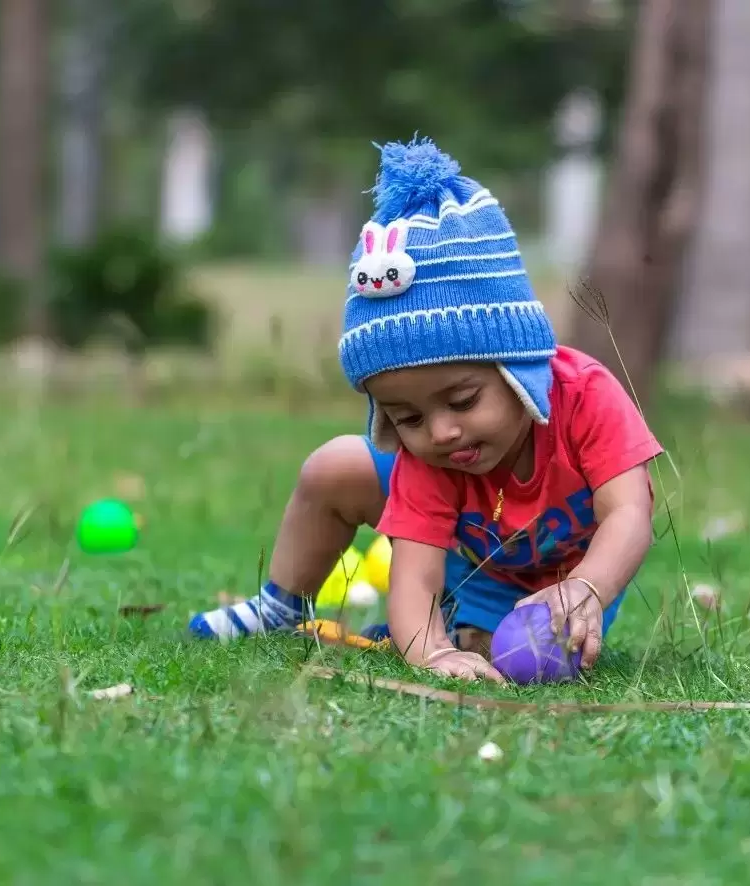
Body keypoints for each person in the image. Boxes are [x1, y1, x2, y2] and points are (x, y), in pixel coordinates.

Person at [188, 137, 664, 682]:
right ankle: (282, 606)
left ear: (517, 368)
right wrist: (430, 652)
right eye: (406, 417)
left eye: (463, 400)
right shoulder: (434, 452)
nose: (440, 431)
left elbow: (629, 513)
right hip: (465, 565)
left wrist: (588, 587)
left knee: (507, 654)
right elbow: (413, 572)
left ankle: (459, 627)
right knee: (336, 466)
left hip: (565, 585)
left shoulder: (585, 397)